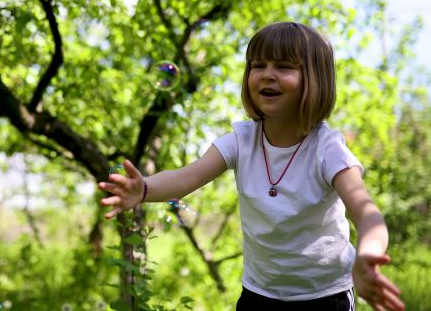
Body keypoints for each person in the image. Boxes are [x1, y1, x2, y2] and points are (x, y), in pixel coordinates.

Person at [97, 22, 405, 311]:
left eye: (283, 66)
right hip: (259, 296)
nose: (267, 74)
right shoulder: (241, 141)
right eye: (258, 65)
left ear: (315, 79)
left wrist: (367, 255)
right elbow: (184, 177)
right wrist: (145, 188)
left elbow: (366, 213)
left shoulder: (327, 148)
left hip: (325, 296)